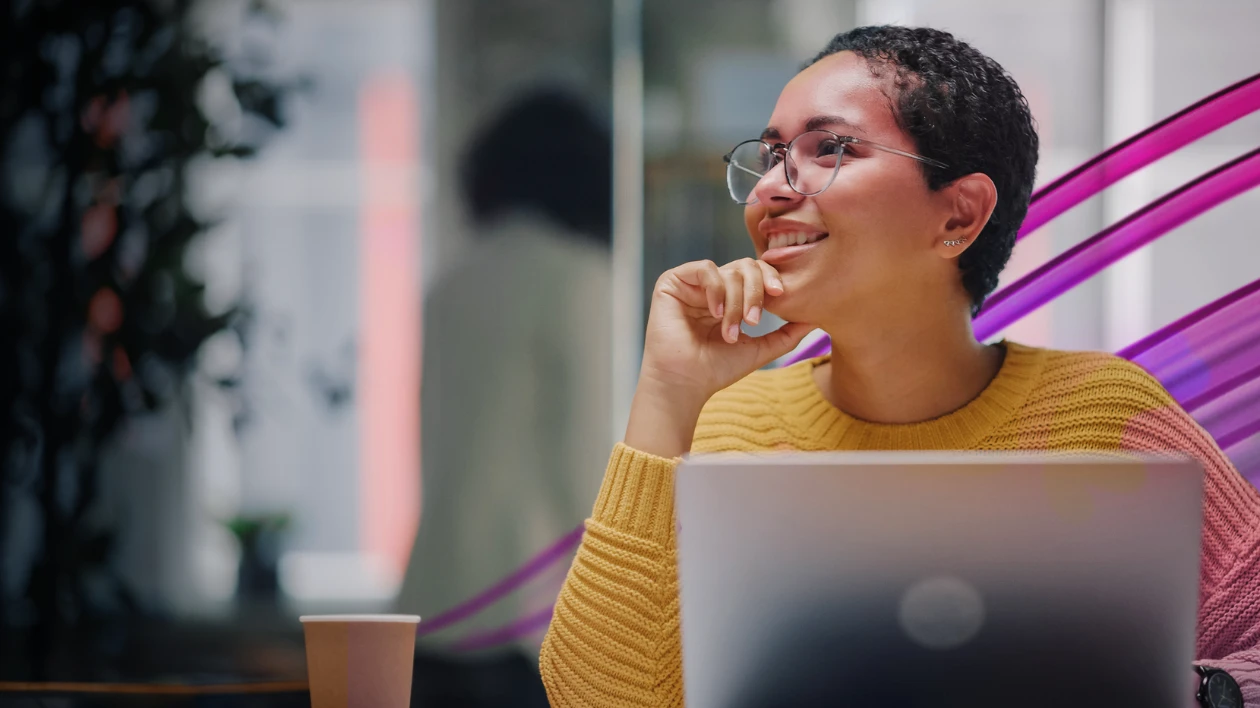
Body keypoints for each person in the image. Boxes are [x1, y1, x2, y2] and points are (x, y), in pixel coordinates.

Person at [539, 26, 1260, 707]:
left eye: (829, 150)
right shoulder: (725, 428)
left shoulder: (1107, 414)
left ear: (959, 216)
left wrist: (1186, 693)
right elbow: (596, 697)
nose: (768, 190)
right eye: (770, 156)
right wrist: (670, 391)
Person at [397, 88, 611, 707]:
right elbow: (582, 462)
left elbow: (432, 441)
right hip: (523, 616)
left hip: (430, 602)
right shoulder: (577, 277)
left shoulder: (451, 284)